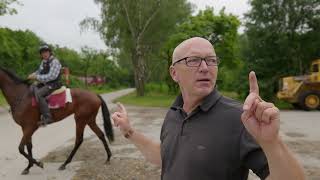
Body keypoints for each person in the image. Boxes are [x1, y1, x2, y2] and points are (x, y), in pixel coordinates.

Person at [112, 37, 305, 180]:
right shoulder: (174, 113)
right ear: (174, 73)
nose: (205, 67)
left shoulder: (241, 118)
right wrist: (129, 131)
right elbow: (166, 157)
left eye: (211, 60)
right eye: (193, 60)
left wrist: (272, 142)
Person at [28, 44, 62, 126]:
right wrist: (32, 75)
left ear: (50, 52)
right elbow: (39, 71)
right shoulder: (43, 62)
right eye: (42, 52)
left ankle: (48, 117)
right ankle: (38, 111)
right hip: (46, 83)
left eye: (46, 51)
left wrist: (37, 77)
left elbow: (52, 76)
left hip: (54, 84)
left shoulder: (55, 61)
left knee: (39, 94)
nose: (44, 54)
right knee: (31, 87)